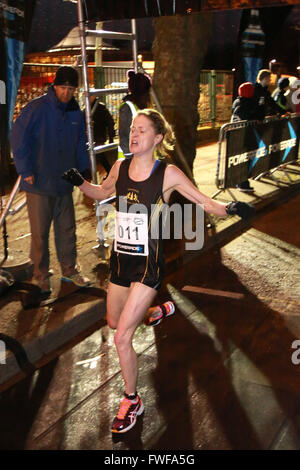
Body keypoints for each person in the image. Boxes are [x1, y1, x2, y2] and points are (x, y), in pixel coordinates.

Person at [62, 109, 254, 433]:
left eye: (141, 130)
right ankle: (152, 312)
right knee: (112, 321)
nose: (133, 135)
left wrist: (230, 208)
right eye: (132, 130)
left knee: (122, 337)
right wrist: (80, 183)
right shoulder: (121, 166)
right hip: (120, 260)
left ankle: (131, 400)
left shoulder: (167, 174)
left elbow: (203, 201)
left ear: (157, 138)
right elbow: (101, 192)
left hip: (148, 264)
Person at [10, 66, 91, 295]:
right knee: (40, 233)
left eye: (71, 89)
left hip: (65, 181)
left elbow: (80, 143)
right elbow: (17, 137)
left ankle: (70, 269)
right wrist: (25, 169)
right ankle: (40, 275)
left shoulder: (76, 112)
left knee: (67, 229)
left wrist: (84, 170)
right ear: (54, 86)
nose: (66, 93)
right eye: (63, 87)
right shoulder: (36, 109)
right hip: (39, 182)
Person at [231, 82, 258, 192]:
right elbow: (249, 117)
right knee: (245, 159)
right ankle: (242, 182)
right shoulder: (245, 105)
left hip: (238, 136)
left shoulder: (237, 101)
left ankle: (239, 181)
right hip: (243, 137)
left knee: (242, 159)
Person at [118, 70, 152, 159]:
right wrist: (130, 161)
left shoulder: (141, 107)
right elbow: (125, 137)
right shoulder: (128, 108)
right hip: (131, 160)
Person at [90, 96, 116, 174]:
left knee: (100, 156)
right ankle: (108, 172)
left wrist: (111, 136)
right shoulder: (89, 107)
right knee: (98, 156)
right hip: (95, 135)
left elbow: (110, 121)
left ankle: (109, 172)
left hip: (98, 136)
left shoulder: (100, 107)